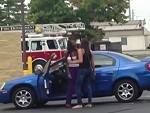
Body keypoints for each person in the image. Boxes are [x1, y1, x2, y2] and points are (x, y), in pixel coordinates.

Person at [68, 38, 95, 108]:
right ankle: (90, 103)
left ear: (82, 43)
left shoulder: (81, 50)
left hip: (82, 69)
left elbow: (80, 61)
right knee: (88, 86)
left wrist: (71, 62)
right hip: (89, 69)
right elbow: (92, 63)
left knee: (77, 86)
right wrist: (93, 71)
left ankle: (80, 103)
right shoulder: (90, 51)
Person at [65, 39, 79, 107]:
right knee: (71, 87)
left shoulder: (77, 50)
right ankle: (68, 102)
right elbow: (66, 63)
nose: (75, 43)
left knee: (78, 85)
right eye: (73, 42)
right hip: (71, 69)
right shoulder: (67, 52)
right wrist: (68, 73)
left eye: (75, 42)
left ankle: (79, 101)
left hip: (78, 68)